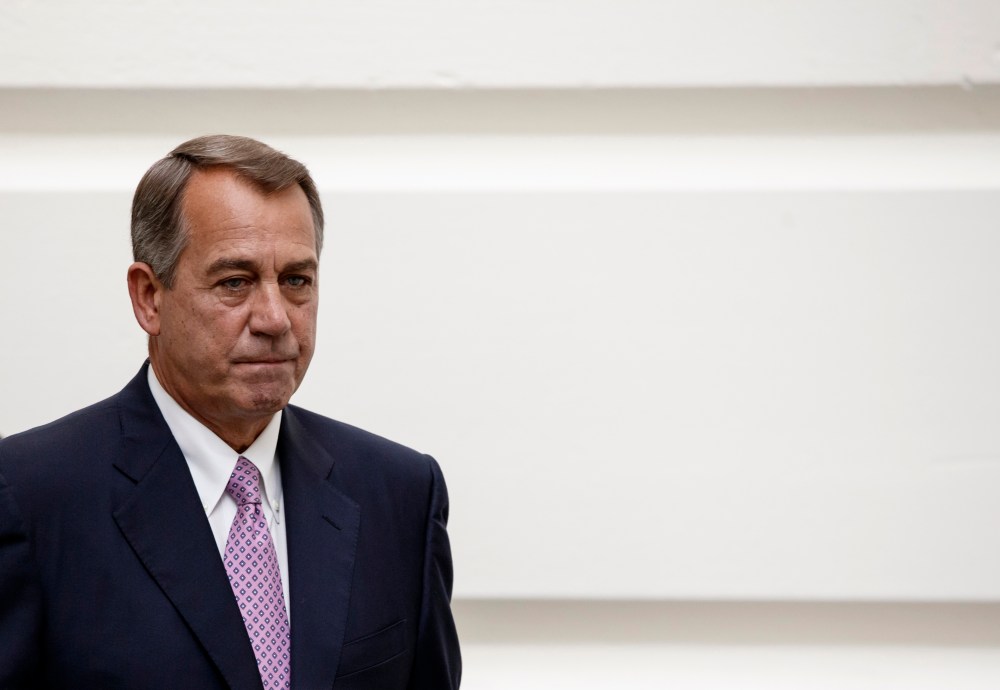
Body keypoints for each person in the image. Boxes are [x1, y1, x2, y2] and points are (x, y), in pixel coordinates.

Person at [0, 135, 461, 689]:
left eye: (296, 281)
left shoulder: (399, 495)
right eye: (235, 282)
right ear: (149, 297)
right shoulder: (30, 497)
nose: (275, 319)